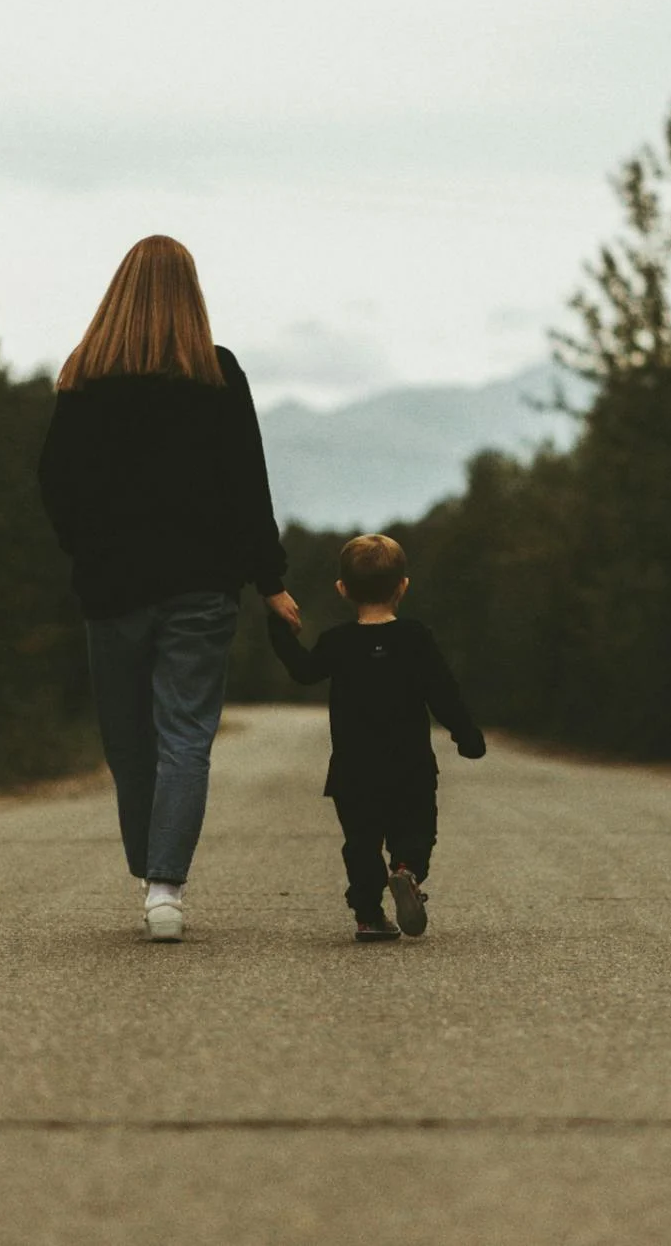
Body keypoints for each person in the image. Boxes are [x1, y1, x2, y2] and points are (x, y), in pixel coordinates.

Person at [38, 235, 300, 942]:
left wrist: (86, 550)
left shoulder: (84, 377)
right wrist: (268, 582)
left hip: (112, 588)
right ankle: (163, 887)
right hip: (202, 588)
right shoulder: (216, 376)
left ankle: (153, 875)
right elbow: (249, 484)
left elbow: (54, 484)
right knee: (184, 736)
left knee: (128, 741)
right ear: (191, 294)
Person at [267, 533, 485, 942]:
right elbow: (443, 691)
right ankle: (406, 870)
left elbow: (303, 671)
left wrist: (280, 628)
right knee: (418, 828)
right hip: (411, 765)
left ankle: (369, 915)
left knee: (362, 843)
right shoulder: (416, 638)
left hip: (354, 769)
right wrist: (466, 734)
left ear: (342, 589)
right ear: (403, 585)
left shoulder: (337, 642)